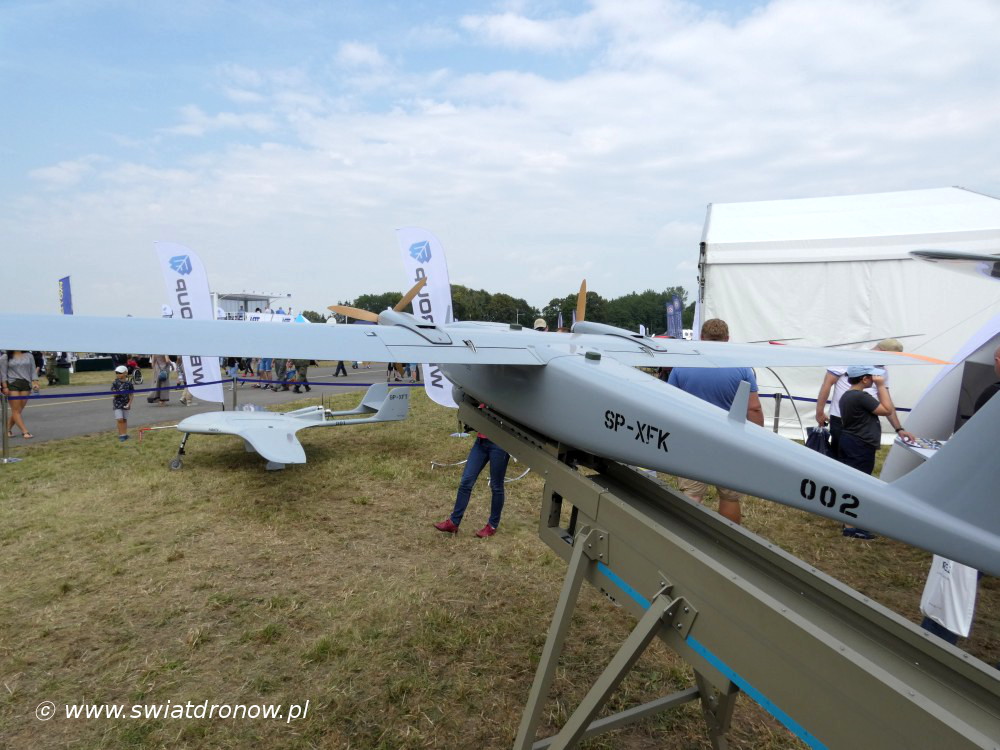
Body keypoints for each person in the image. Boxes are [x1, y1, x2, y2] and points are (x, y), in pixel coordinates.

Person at [667, 319, 764, 524]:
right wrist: (758, 441)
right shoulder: (742, 369)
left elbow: (669, 404)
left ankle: (687, 543)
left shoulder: (682, 366)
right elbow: (753, 408)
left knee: (691, 494)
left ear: (701, 338)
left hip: (691, 439)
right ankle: (728, 542)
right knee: (729, 496)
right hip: (730, 441)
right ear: (727, 339)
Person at [815, 339, 916, 457]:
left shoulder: (882, 370)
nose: (890, 362)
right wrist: (819, 412)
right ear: (882, 351)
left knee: (860, 459)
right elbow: (826, 384)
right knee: (840, 459)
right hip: (842, 419)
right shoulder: (850, 358)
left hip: (866, 423)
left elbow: (886, 400)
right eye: (890, 358)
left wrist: (899, 429)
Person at [837, 365, 896, 539]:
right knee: (858, 483)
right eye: (871, 377)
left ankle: (847, 519)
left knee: (851, 480)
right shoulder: (861, 396)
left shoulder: (847, 395)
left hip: (850, 440)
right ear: (864, 379)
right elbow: (887, 410)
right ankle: (851, 526)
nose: (873, 379)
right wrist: (881, 386)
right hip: (860, 444)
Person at [434, 409, 511, 538]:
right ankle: (454, 522)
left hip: (500, 444)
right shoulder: (484, 393)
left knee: (496, 486)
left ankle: (492, 526)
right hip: (481, 442)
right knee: (466, 482)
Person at [1, 350, 39, 439]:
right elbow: (3, 374)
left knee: (19, 409)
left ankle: (7, 429)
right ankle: (25, 432)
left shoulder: (29, 355)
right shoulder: (5, 357)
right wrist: (5, 387)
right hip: (12, 384)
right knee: (16, 410)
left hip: (26, 384)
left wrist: (36, 383)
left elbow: (33, 371)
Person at [111, 365, 135, 441]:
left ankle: (124, 434)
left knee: (124, 419)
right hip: (117, 404)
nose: (118, 374)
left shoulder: (129, 384)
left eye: (119, 373)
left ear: (125, 373)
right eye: (117, 373)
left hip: (126, 404)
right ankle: (121, 435)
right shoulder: (115, 383)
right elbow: (113, 393)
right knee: (120, 419)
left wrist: (129, 404)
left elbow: (131, 394)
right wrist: (118, 392)